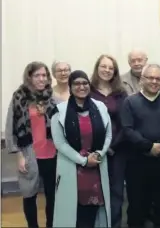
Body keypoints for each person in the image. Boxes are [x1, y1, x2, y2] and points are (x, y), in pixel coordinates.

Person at [121, 63, 160, 228]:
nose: (154, 81)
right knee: (137, 204)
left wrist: (159, 145)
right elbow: (127, 129)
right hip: (137, 162)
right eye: (150, 78)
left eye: (158, 78)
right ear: (142, 79)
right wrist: (148, 146)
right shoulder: (130, 102)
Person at [51, 70, 112, 228]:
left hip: (96, 168)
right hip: (72, 169)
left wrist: (99, 154)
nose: (81, 86)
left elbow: (108, 135)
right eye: (76, 83)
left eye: (85, 83)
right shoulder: (60, 112)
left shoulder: (100, 107)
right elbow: (60, 143)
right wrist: (84, 161)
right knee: (73, 213)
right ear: (70, 87)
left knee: (93, 212)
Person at [5, 62, 58, 228]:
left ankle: (51, 224)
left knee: (52, 195)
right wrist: (18, 155)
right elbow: (11, 127)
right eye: (37, 75)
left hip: (52, 153)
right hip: (29, 154)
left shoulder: (51, 97)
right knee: (29, 195)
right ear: (29, 77)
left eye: (44, 75)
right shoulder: (19, 96)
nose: (41, 79)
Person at [90, 54, 128, 228]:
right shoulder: (88, 91)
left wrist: (111, 146)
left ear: (115, 72)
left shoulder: (120, 94)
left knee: (116, 192)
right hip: (93, 151)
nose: (106, 70)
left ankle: (115, 224)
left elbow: (125, 123)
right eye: (103, 66)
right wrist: (99, 149)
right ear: (97, 68)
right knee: (94, 191)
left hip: (117, 150)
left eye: (110, 68)